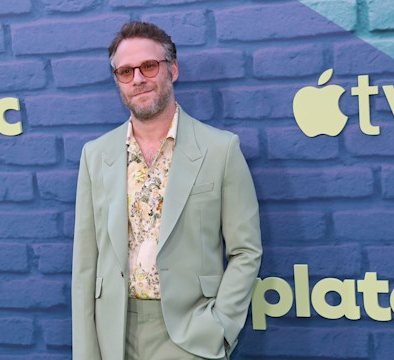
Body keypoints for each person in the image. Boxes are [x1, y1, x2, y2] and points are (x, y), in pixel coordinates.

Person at [72, 21, 262, 360]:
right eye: (125, 72)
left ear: (172, 69)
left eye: (148, 66)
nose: (138, 79)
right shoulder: (95, 155)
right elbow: (86, 264)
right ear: (117, 81)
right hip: (114, 334)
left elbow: (245, 251)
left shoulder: (221, 149)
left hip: (191, 333)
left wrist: (220, 328)